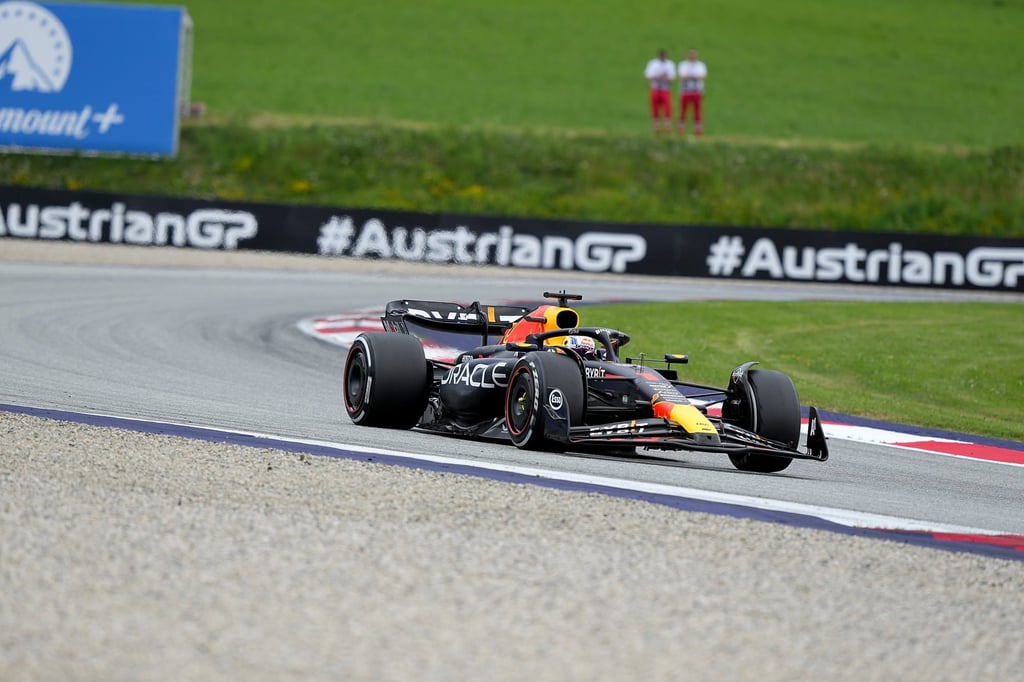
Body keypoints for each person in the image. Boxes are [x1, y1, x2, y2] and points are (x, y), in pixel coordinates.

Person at [643, 49, 676, 134]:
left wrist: (661, 78)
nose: (662, 57)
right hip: (655, 88)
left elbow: (671, 79)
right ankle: (656, 128)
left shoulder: (670, 64)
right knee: (655, 108)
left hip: (665, 89)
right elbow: (648, 77)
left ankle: (668, 127)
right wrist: (659, 77)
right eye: (661, 56)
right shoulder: (653, 64)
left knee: (668, 108)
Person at [677, 49, 708, 136]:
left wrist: (690, 76)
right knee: (683, 111)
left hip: (696, 91)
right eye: (691, 54)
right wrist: (694, 77)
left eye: (694, 54)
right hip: (685, 90)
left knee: (697, 111)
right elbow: (682, 77)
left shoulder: (701, 65)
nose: (692, 56)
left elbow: (702, 77)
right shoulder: (683, 65)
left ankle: (698, 130)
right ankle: (681, 129)